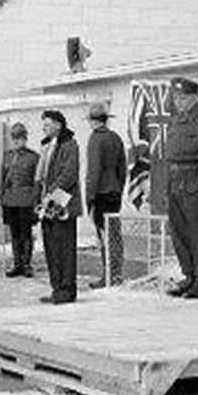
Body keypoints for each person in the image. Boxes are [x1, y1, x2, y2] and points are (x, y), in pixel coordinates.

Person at [165, 78, 198, 299]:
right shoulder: (176, 120)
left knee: (197, 232)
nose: (179, 102)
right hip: (175, 179)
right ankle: (188, 274)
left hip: (195, 179)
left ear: (196, 97)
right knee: (178, 231)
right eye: (176, 98)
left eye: (183, 97)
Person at [36, 109, 82, 304]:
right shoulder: (47, 146)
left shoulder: (69, 145)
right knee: (51, 247)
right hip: (48, 202)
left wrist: (51, 195)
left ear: (58, 125)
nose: (44, 128)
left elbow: (68, 175)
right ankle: (56, 288)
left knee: (64, 246)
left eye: (47, 124)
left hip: (63, 201)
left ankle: (67, 289)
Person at [84, 102, 127, 289]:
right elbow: (123, 168)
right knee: (115, 234)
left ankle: (109, 275)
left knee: (104, 236)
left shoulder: (95, 139)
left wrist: (89, 197)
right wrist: (119, 188)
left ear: (93, 122)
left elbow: (93, 171)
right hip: (114, 191)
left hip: (100, 193)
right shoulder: (115, 138)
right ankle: (117, 272)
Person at [0, 122, 40, 278]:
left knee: (26, 232)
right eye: (14, 137)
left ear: (25, 138)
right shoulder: (7, 156)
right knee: (14, 233)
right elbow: (2, 179)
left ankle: (27, 264)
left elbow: (36, 182)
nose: (16, 140)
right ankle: (17, 263)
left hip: (26, 200)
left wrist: (36, 201)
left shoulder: (33, 157)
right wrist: (2, 198)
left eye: (20, 137)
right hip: (10, 200)